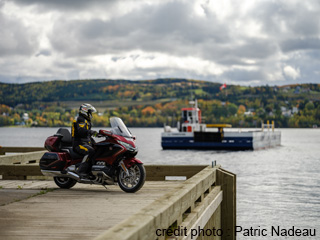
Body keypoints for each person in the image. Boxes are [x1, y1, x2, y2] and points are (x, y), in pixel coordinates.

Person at [72, 103, 98, 177]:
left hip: (85, 143)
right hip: (79, 144)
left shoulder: (86, 120)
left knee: (98, 148)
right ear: (85, 111)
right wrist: (91, 132)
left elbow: (87, 135)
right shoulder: (80, 119)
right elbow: (81, 131)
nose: (91, 114)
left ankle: (92, 170)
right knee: (90, 151)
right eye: (90, 112)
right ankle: (81, 171)